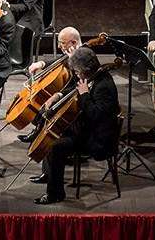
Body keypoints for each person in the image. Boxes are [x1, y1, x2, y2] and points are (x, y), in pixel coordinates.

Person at [33, 47, 120, 205]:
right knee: (52, 128)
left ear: (86, 70)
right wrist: (58, 96)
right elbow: (75, 88)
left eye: (78, 72)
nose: (76, 75)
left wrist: (84, 94)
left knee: (55, 146)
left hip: (98, 139)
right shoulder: (92, 77)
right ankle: (49, 174)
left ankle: (55, 194)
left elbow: (95, 116)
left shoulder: (104, 86)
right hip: (88, 129)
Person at [15, 27, 82, 143]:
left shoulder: (83, 57)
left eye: (62, 43)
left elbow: (79, 83)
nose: (59, 46)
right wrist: (41, 63)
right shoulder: (72, 52)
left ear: (74, 42)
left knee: (47, 107)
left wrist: (59, 95)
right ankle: (38, 130)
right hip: (66, 91)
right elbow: (60, 59)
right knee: (41, 103)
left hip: (75, 96)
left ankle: (41, 135)